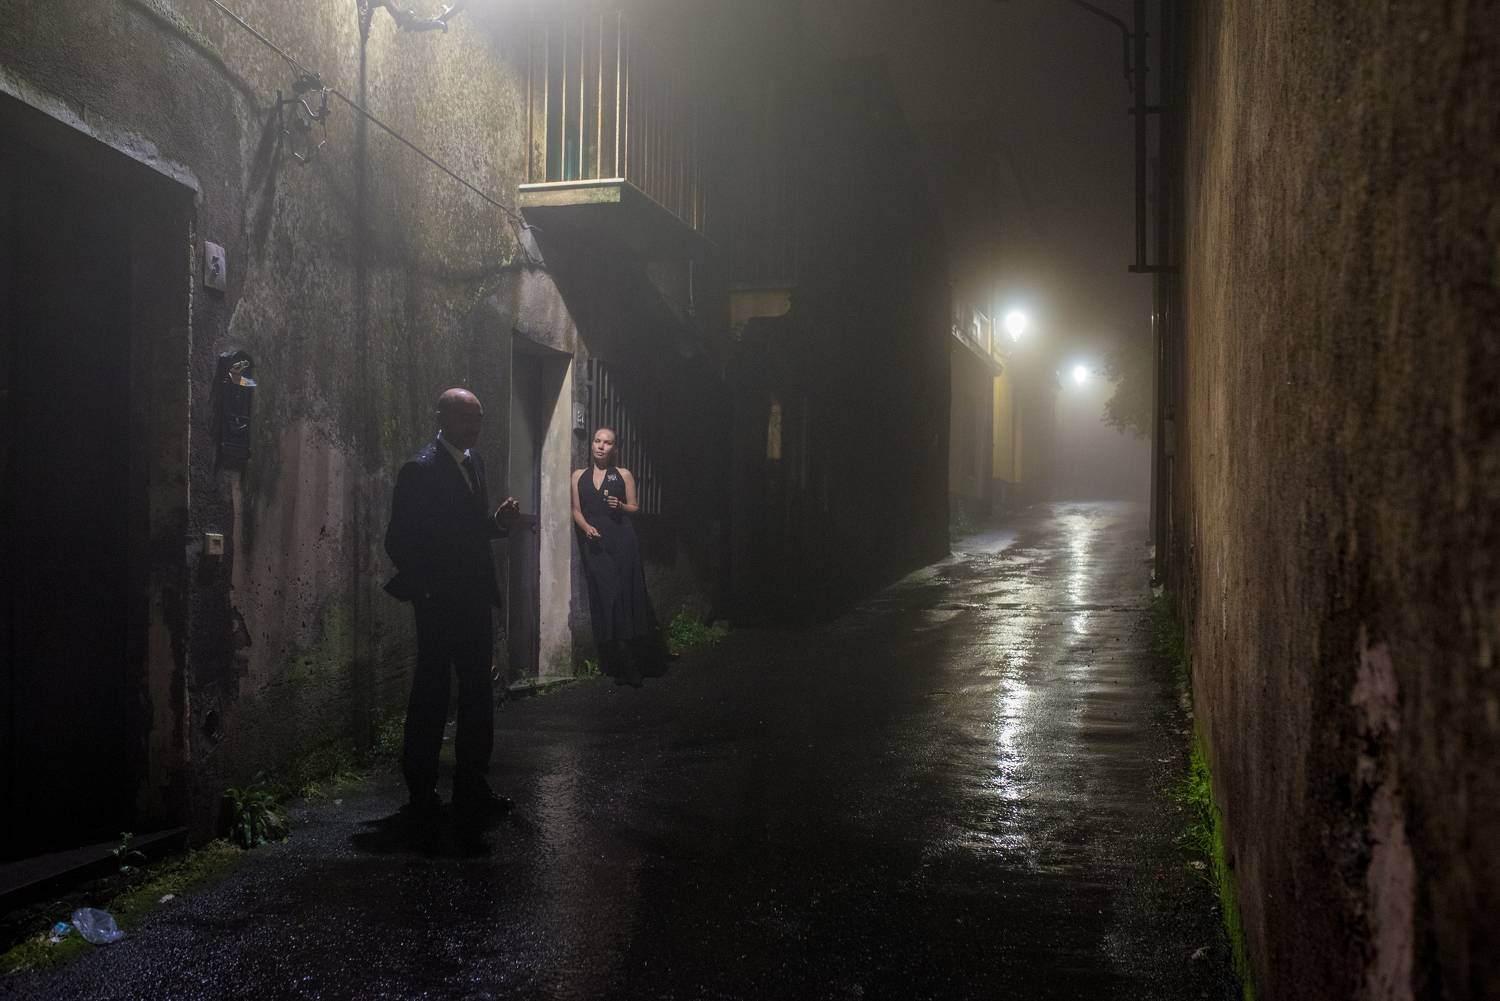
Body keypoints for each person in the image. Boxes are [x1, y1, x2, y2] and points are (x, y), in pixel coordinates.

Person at [384, 388, 520, 819]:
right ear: (441, 418)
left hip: (474, 597)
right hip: (440, 602)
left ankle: (472, 785)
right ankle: (421, 791)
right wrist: (427, 590)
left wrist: (496, 523)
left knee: (478, 691)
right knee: (433, 692)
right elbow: (398, 540)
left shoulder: (474, 463)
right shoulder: (420, 469)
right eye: (465, 418)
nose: (474, 427)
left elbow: (468, 529)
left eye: (478, 418)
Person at [571, 427, 667, 686]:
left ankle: (629, 662)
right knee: (609, 597)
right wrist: (586, 528)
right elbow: (576, 510)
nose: (601, 446)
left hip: (623, 543)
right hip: (597, 545)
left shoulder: (623, 474)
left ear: (614, 449)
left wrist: (621, 506)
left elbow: (635, 508)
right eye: (597, 441)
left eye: (607, 442)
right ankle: (621, 658)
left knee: (624, 598)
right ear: (592, 444)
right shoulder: (578, 476)